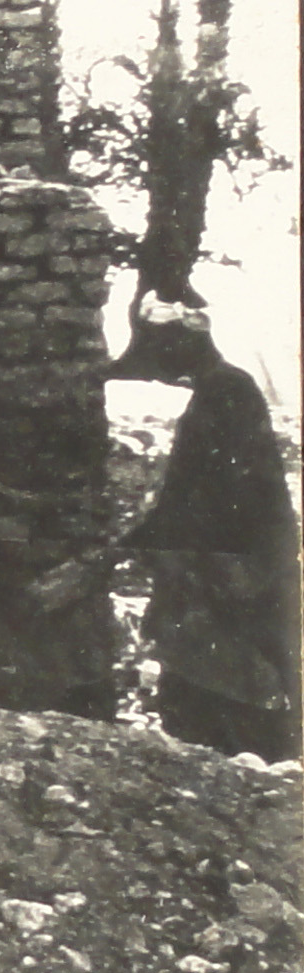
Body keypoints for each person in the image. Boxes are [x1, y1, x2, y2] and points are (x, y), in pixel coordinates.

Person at [109, 298, 301, 761]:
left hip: (235, 569)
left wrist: (165, 547)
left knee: (235, 680)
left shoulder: (227, 391)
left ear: (183, 346)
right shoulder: (219, 389)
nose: (159, 367)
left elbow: (214, 492)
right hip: (228, 564)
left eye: (162, 350)